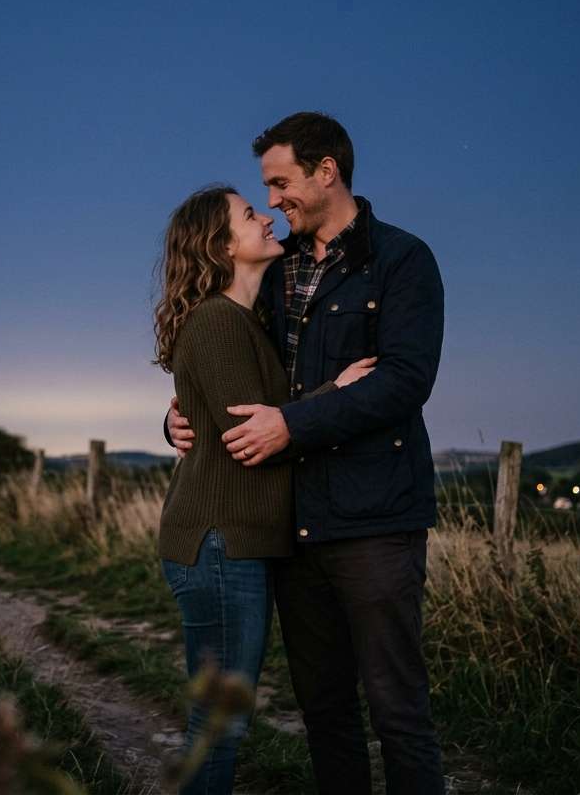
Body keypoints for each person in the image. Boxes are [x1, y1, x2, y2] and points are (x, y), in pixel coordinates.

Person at [166, 112, 446, 794]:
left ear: (327, 172)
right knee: (324, 710)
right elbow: (232, 375)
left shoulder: (401, 259)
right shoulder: (276, 268)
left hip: (375, 520)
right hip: (292, 527)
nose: (273, 202)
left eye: (281, 182)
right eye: (263, 190)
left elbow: (405, 381)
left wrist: (295, 422)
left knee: (396, 707)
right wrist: (178, 418)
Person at [154, 184, 375, 795]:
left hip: (235, 544)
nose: (267, 217)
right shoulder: (218, 322)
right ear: (221, 245)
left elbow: (230, 413)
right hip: (220, 545)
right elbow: (248, 437)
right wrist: (340, 392)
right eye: (249, 215)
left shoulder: (242, 320)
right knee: (220, 720)